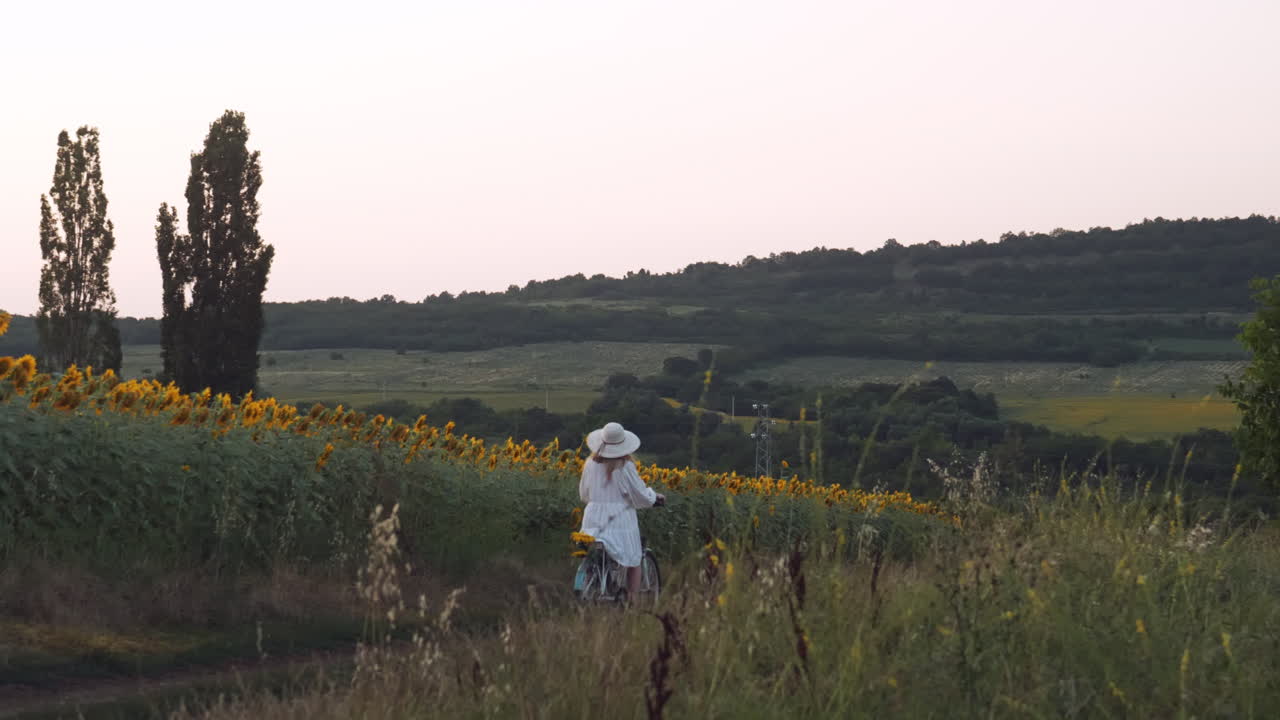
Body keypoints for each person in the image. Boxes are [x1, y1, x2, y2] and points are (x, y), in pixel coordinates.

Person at [578, 421, 665, 596]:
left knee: (597, 555)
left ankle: (591, 588)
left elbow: (583, 494)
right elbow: (639, 494)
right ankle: (632, 604)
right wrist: (655, 498)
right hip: (619, 520)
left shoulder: (589, 464)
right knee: (634, 561)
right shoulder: (625, 467)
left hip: (593, 517)